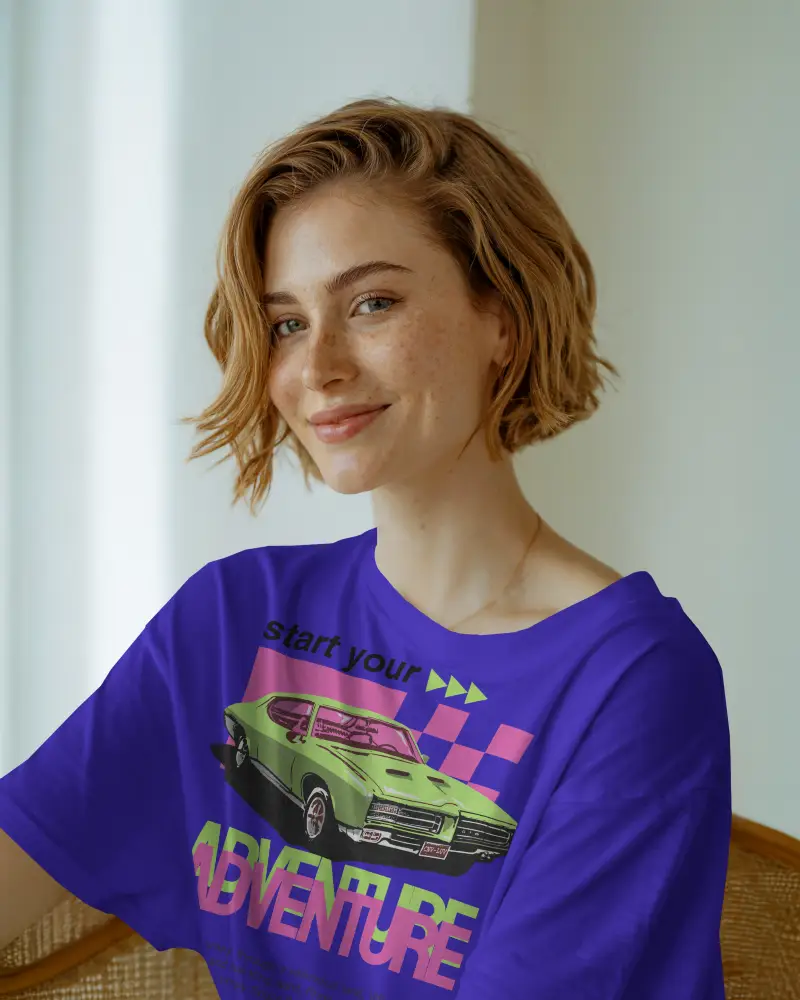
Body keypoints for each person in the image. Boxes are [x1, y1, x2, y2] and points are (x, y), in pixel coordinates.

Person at [0, 96, 731, 998]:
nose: (318, 368)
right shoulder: (236, 622)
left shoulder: (629, 676)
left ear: (501, 317)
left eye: (372, 303)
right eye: (287, 324)